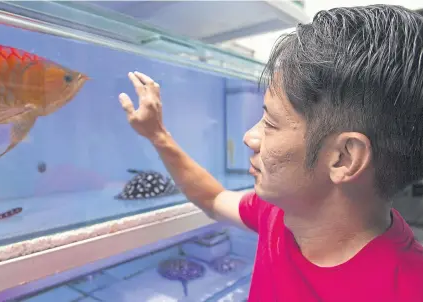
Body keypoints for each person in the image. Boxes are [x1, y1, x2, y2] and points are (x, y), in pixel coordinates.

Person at [118, 4, 423, 302]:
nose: (250, 137)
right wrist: (157, 135)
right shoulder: (280, 213)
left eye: (271, 122)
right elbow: (213, 199)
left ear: (344, 157)